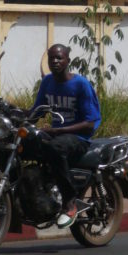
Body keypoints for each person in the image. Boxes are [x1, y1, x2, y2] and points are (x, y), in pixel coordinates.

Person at [27, 43, 101, 228]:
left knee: (55, 147)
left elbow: (90, 123)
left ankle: (70, 202)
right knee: (23, 144)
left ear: (68, 60)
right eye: (52, 58)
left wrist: (57, 130)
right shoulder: (47, 82)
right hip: (56, 135)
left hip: (78, 138)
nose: (55, 61)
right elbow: (36, 112)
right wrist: (14, 114)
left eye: (59, 58)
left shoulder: (80, 84)